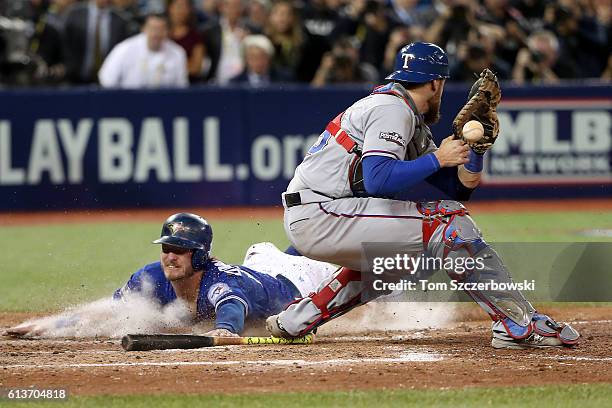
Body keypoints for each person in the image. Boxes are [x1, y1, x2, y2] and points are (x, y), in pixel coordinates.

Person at [266, 41, 581, 350]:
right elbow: (378, 181)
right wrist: (438, 158)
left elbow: (458, 189)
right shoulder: (391, 109)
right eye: (442, 83)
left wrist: (475, 152)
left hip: (322, 212)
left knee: (397, 260)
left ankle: (297, 320)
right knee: (448, 221)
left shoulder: (405, 114)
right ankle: (518, 323)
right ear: (435, 82)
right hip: (321, 212)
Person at [6, 213, 336, 338]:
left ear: (200, 254)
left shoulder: (219, 283)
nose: (169, 256)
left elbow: (231, 315)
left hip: (299, 279)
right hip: (261, 265)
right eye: (166, 248)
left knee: (352, 261)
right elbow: (111, 308)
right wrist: (48, 326)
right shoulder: (151, 277)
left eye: (179, 249)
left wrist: (223, 331)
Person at [98, 13, 188, 88]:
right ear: (144, 29)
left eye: (161, 29)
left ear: (167, 31)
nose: (156, 34)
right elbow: (106, 80)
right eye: (153, 28)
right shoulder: (124, 49)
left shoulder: (177, 53)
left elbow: (181, 87)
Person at [62, 0, 130, 84]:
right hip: (76, 78)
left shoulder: (120, 21)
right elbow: (64, 44)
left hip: (106, 81)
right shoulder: (75, 14)